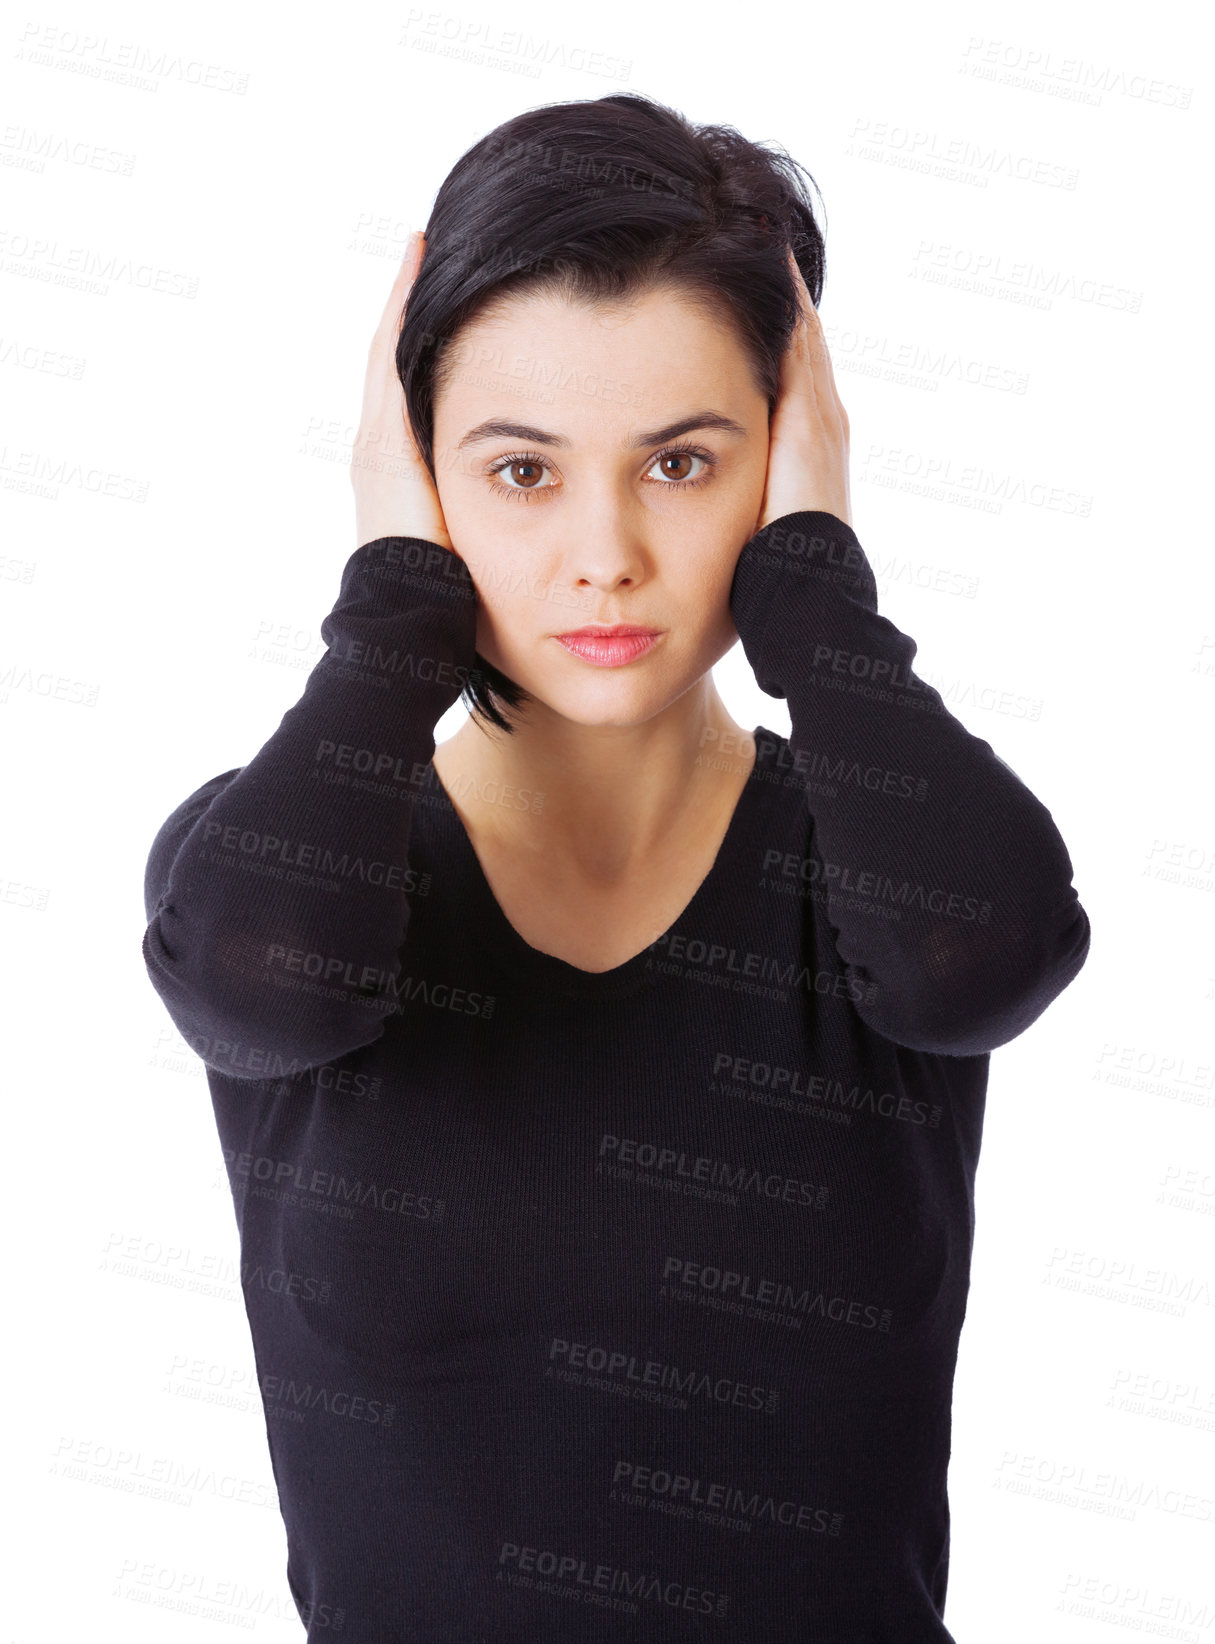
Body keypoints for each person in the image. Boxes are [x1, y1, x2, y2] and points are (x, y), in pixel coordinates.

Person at [141, 92, 1091, 1643]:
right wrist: (391, 600)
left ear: (789, 456)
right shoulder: (280, 863)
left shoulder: (877, 868)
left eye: (681, 464)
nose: (606, 555)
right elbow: (267, 975)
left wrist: (821, 606)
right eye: (520, 472)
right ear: (416, 470)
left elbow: (982, 954)